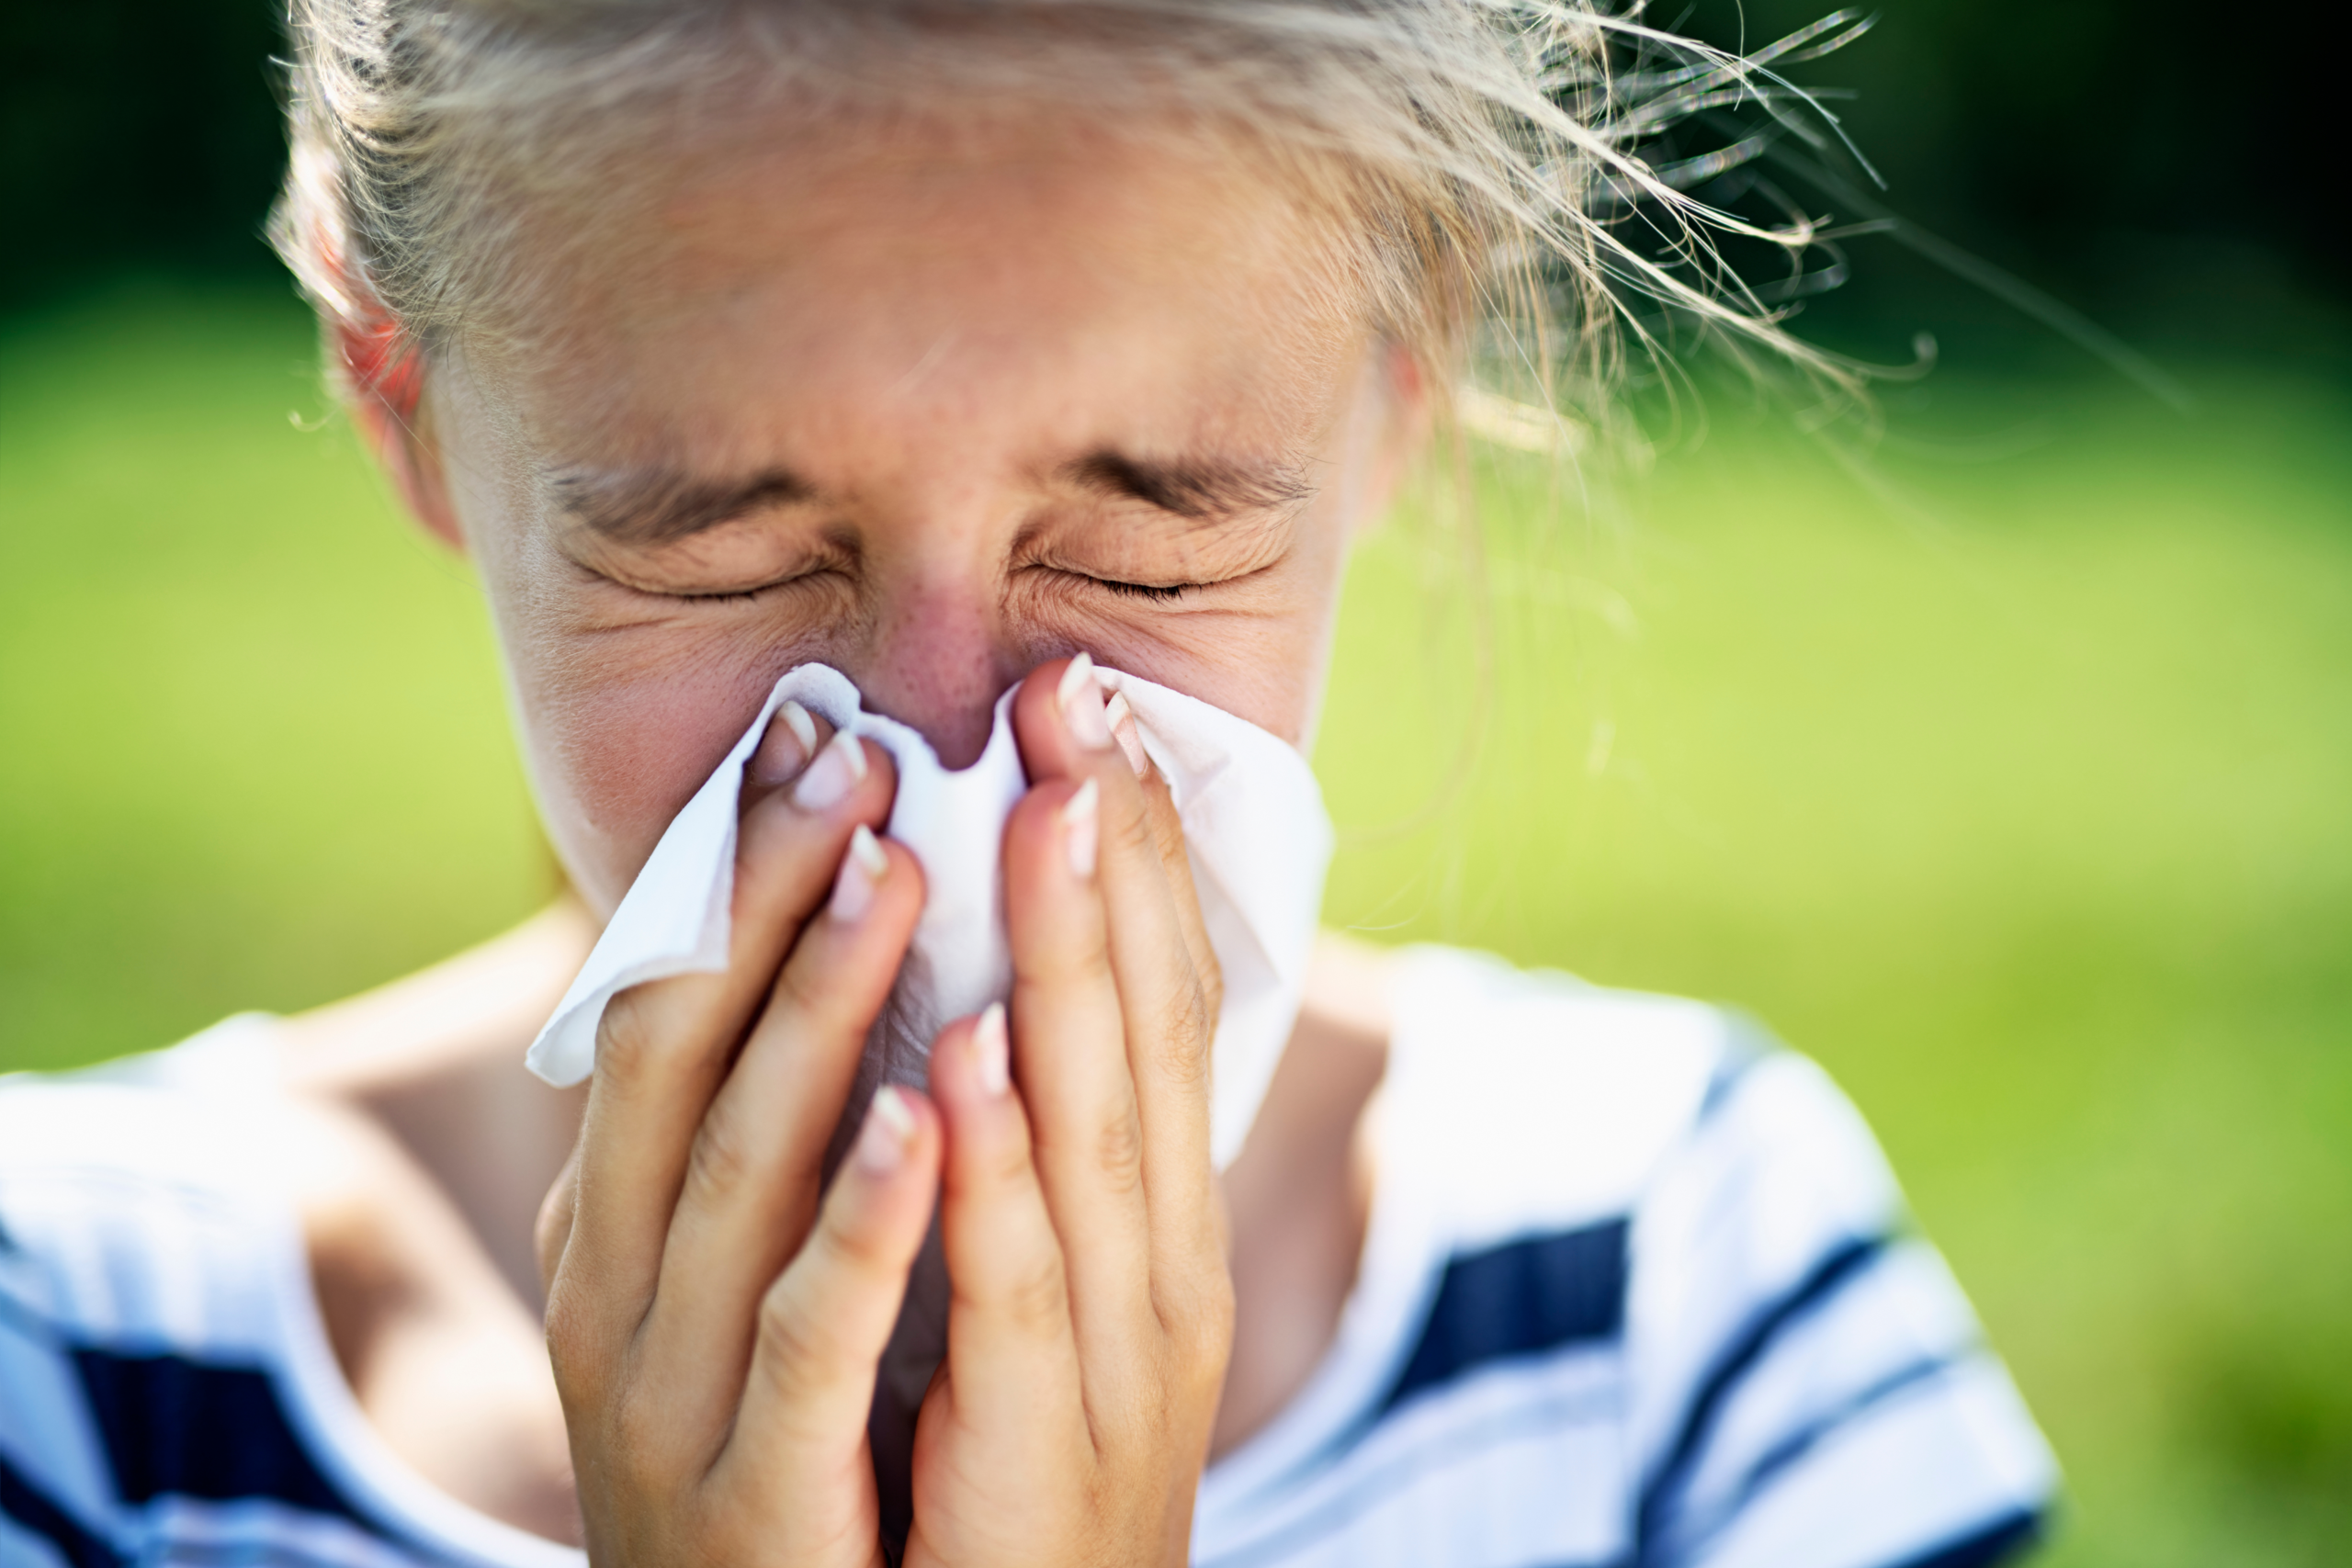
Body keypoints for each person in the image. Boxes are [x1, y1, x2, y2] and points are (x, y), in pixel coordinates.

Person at [0, 2, 2057, 1564]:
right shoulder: (71, 1378)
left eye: (1146, 536)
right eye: (723, 542)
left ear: (1390, 396)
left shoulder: (1688, 1300)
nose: (943, 762)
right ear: (409, 405)